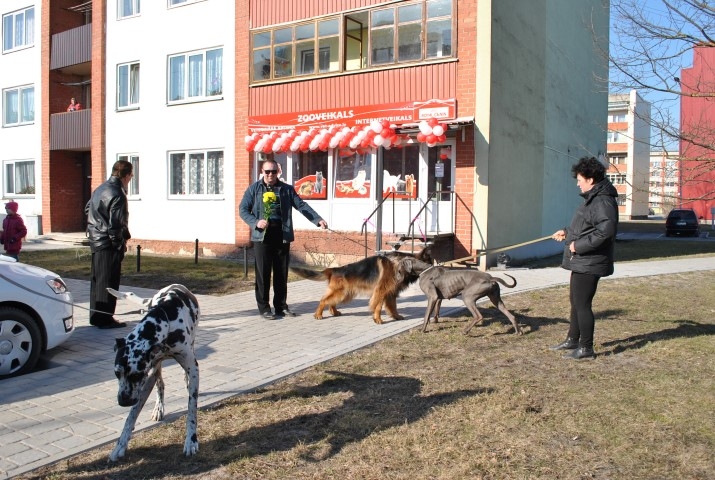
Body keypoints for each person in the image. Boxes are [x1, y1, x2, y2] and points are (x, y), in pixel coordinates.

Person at [239, 159, 328, 319]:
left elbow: (301, 206)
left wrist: (317, 219)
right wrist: (256, 222)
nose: (271, 175)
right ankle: (264, 308)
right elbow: (243, 210)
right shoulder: (254, 189)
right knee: (263, 274)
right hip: (262, 237)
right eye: (267, 172)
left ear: (278, 172)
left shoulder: (286, 189)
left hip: (282, 236)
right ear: (262, 172)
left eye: (274, 171)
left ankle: (281, 306)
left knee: (281, 274)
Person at [551, 156, 618, 359]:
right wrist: (566, 232)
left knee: (582, 304)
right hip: (583, 259)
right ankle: (573, 340)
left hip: (590, 260)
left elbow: (606, 232)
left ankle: (586, 348)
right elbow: (585, 227)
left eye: (580, 179)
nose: (577, 183)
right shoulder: (592, 199)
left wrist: (577, 245)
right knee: (576, 301)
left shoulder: (602, 201)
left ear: (590, 179)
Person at [85, 160, 133, 329]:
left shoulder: (100, 188)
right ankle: (105, 318)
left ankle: (96, 316)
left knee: (97, 279)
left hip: (96, 239)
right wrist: (118, 244)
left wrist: (97, 224)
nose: (131, 179)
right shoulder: (117, 193)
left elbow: (87, 209)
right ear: (126, 175)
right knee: (108, 281)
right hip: (107, 243)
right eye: (131, 175)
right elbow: (115, 224)